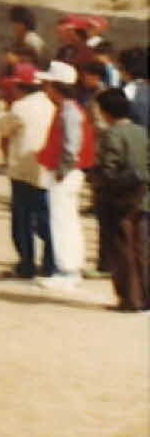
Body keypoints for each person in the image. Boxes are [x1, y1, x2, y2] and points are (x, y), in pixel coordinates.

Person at [37, 60, 97, 291]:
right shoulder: (68, 109)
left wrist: (61, 171)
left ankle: (67, 271)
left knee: (62, 222)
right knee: (66, 221)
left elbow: (71, 147)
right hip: (68, 172)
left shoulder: (69, 111)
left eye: (49, 84)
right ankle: (70, 269)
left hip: (65, 173)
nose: (46, 89)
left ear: (56, 86)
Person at [0, 63, 57, 279]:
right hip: (45, 169)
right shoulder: (50, 105)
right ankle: (50, 264)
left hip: (23, 169)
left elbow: (3, 129)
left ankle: (27, 264)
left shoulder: (19, 108)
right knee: (45, 217)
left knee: (23, 219)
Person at [92, 89, 149, 312]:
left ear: (106, 112)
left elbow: (109, 169)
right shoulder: (141, 132)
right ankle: (145, 296)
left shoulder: (111, 134)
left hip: (118, 199)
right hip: (142, 197)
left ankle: (130, 298)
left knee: (122, 249)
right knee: (141, 248)